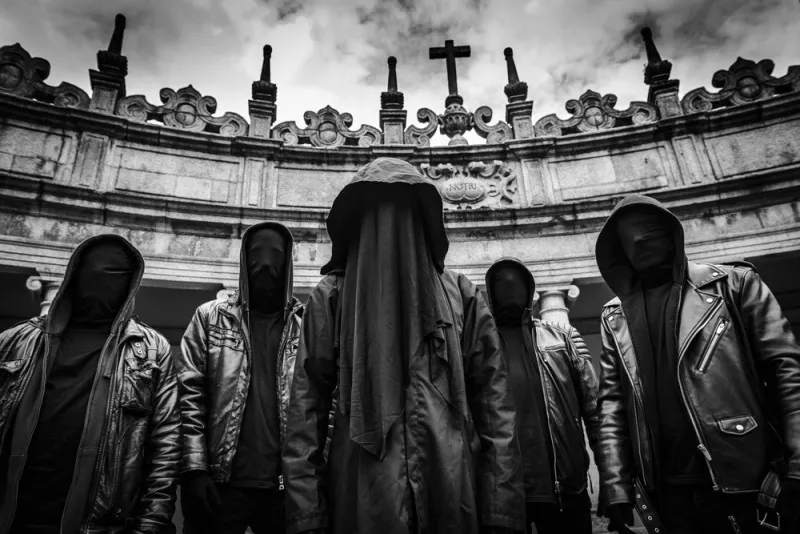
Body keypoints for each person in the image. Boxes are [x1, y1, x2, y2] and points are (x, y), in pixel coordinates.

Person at [282, 157, 525, 534]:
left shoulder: (461, 293)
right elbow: (305, 410)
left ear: (422, 218)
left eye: (402, 212)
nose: (389, 226)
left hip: (451, 489)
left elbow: (495, 405)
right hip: (362, 496)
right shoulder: (332, 296)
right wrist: (307, 513)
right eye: (377, 213)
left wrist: (500, 508)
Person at [595, 194, 800, 534]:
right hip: (664, 490)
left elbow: (787, 374)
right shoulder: (614, 316)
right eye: (629, 236)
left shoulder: (734, 284)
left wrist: (798, 466)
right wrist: (615, 485)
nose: (641, 240)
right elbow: (612, 406)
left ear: (671, 232)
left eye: (649, 229)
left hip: (743, 477)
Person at [0, 234, 181, 534]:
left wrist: (152, 523)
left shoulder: (151, 349)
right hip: (13, 511)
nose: (104, 282)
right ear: (74, 274)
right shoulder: (15, 340)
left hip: (99, 522)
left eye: (117, 275)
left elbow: (166, 444)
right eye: (94, 272)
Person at [178, 222, 304, 534]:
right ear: (244, 259)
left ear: (288, 261)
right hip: (220, 484)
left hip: (285, 488)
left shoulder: (307, 326)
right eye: (256, 253)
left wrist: (313, 474)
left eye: (275, 254)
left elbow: (324, 403)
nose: (265, 263)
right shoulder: (209, 316)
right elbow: (189, 394)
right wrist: (194, 468)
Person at [485, 258, 600, 534]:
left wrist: (613, 482)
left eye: (516, 281)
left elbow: (597, 412)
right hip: (502, 494)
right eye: (500, 282)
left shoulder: (562, 337)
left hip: (566, 489)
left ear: (529, 288)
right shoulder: (479, 346)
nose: (509, 287)